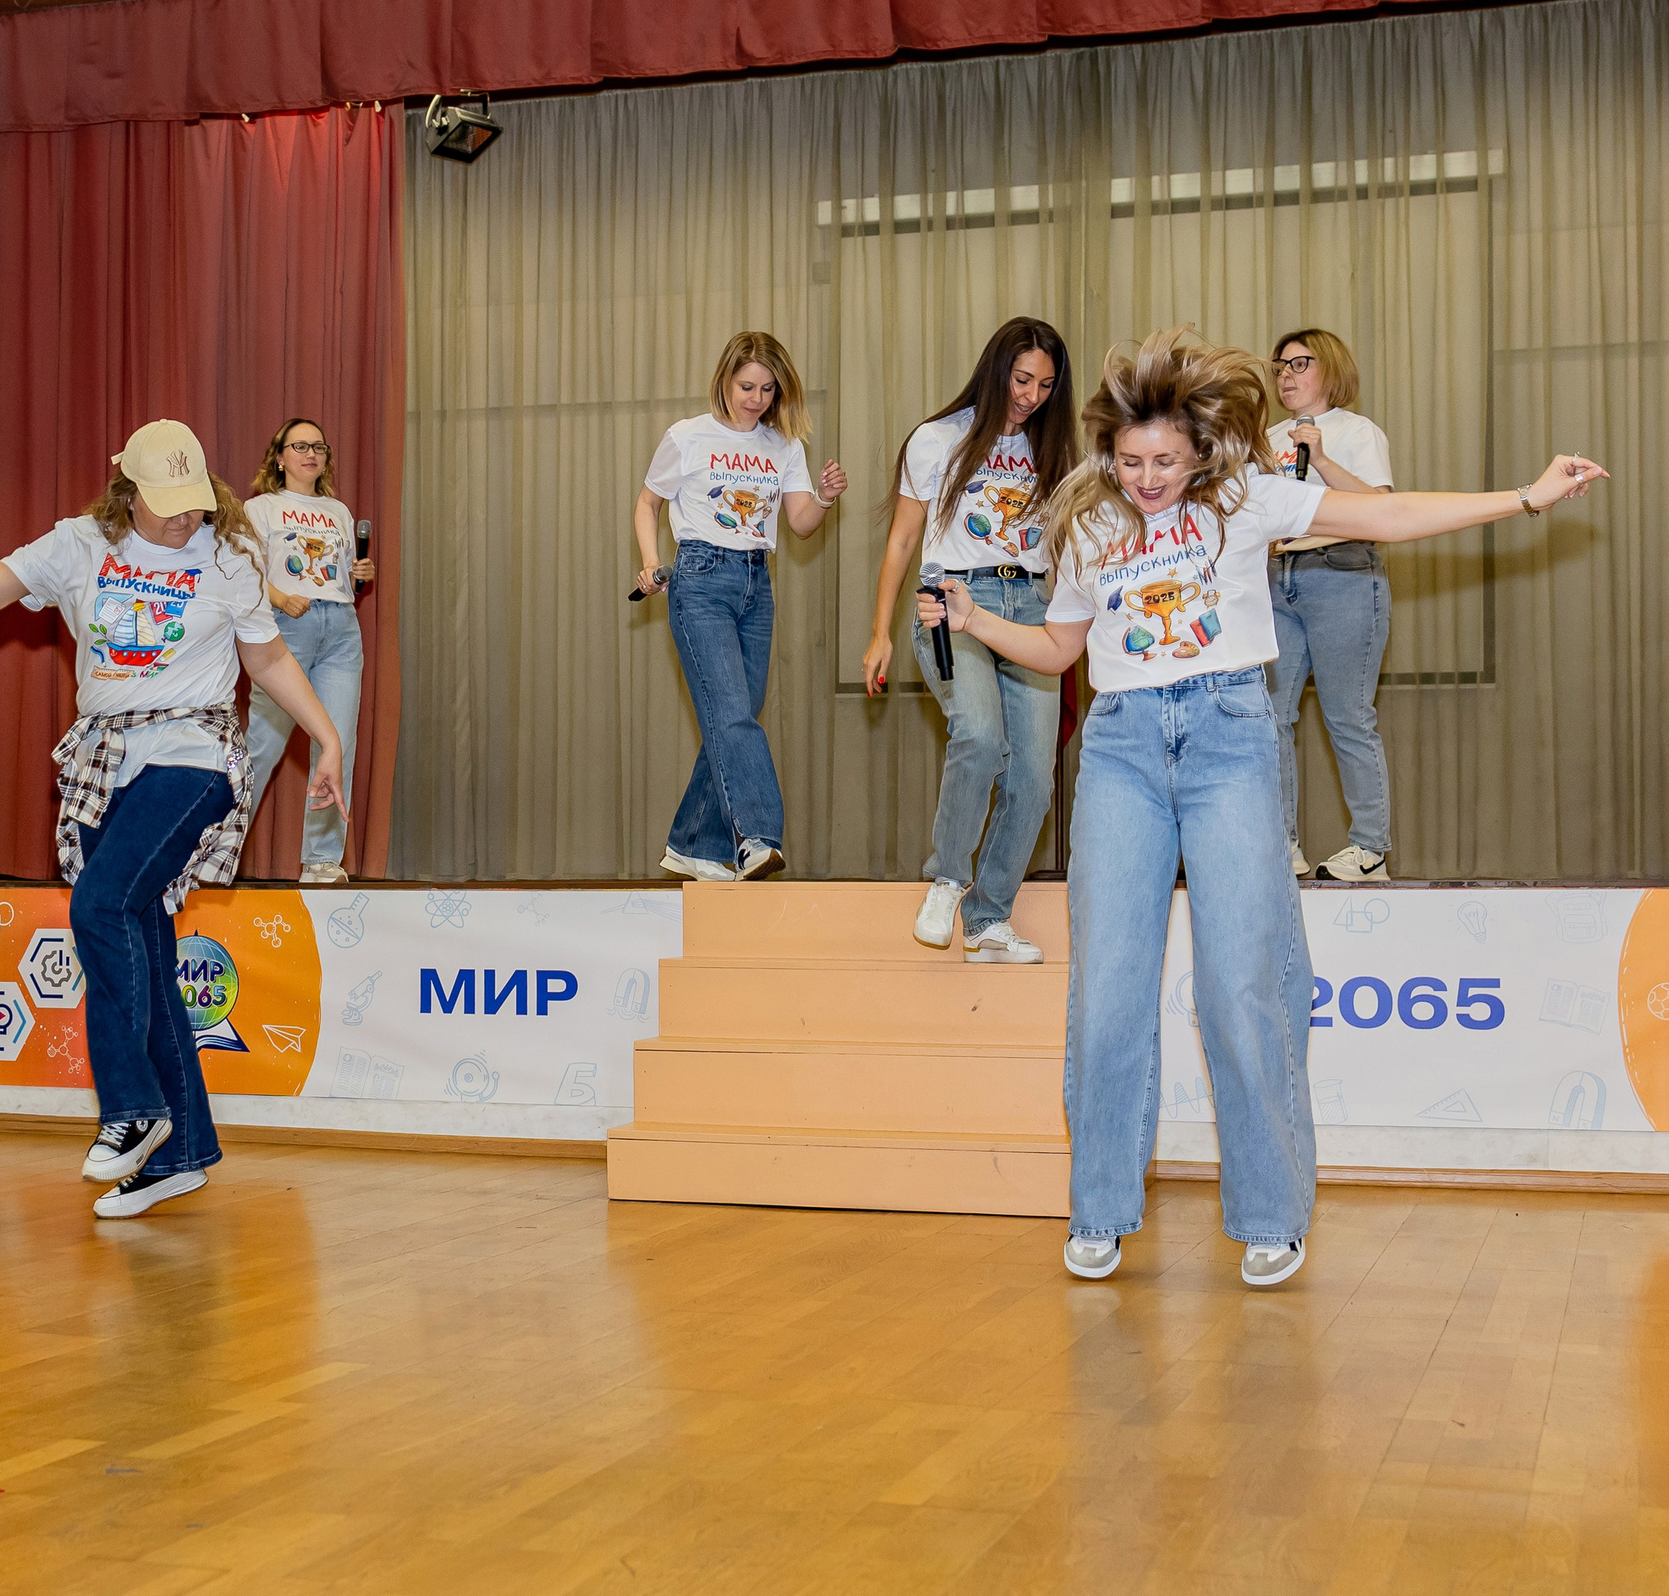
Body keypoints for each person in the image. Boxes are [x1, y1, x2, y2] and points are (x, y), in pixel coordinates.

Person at [917, 329, 1606, 1288]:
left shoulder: (1247, 499)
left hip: (1229, 735)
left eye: (1164, 461)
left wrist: (1525, 495)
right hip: (1120, 748)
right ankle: (1100, 1206)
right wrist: (976, 619)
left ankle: (1271, 1213)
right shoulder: (1086, 520)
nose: (1147, 478)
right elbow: (1060, 650)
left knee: (1240, 984)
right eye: (1129, 461)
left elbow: (1389, 513)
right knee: (1108, 988)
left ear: (1199, 449)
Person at [0, 419, 345, 1219]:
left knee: (100, 904)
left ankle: (133, 1109)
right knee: (142, 940)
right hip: (107, 758)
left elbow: (266, 656)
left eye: (191, 503)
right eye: (164, 504)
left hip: (197, 751)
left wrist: (328, 737)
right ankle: (181, 1153)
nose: (180, 520)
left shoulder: (229, 554)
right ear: (127, 490)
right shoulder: (79, 545)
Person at [860, 318, 1079, 962]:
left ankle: (988, 920)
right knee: (980, 734)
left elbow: (1066, 548)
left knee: (1034, 778)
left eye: (1044, 385)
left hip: (1032, 606)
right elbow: (902, 539)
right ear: (995, 370)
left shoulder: (1055, 451)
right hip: (952, 601)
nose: (1031, 395)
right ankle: (949, 877)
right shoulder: (937, 440)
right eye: (1021, 379)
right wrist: (880, 634)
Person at [633, 331, 849, 880]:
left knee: (733, 716)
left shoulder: (785, 447)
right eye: (747, 385)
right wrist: (649, 559)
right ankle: (757, 836)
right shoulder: (687, 436)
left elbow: (799, 524)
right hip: (700, 578)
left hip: (757, 581)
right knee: (731, 713)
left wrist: (823, 497)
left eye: (767, 389)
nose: (755, 398)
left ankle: (693, 845)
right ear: (726, 380)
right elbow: (647, 502)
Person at [1266, 328, 1396, 882]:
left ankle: (1370, 849)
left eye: (1300, 363)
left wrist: (1318, 456)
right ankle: (1282, 844)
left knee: (1348, 716)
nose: (1286, 375)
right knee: (1270, 717)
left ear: (1331, 368)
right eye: (1279, 367)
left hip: (1343, 577)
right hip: (1276, 582)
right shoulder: (1263, 437)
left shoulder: (1356, 431)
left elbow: (1381, 508)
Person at [241, 418, 374, 884]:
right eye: (300, 445)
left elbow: (337, 577)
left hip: (339, 627)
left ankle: (321, 861)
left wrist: (358, 574)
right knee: (262, 742)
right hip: (284, 630)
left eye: (319, 446)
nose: (311, 453)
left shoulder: (337, 511)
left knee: (336, 742)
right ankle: (218, 849)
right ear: (279, 456)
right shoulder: (259, 509)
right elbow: (242, 568)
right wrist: (278, 598)